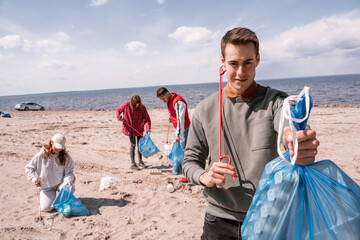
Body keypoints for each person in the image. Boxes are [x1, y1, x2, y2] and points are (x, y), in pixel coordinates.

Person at [182, 27, 320, 239]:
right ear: (222, 62)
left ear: (257, 60)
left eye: (247, 63)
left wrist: (292, 139)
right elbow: (189, 161)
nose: (240, 72)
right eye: (233, 64)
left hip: (270, 216)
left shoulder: (276, 101)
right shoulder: (204, 109)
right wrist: (203, 175)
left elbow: (286, 124)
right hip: (218, 219)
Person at [25, 133, 75, 212]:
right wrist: (34, 179)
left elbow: (69, 171)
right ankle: (54, 198)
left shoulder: (66, 156)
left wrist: (68, 180)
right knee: (46, 208)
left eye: (60, 148)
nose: (59, 150)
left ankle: (61, 198)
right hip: (46, 187)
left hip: (60, 183)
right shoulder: (40, 155)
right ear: (51, 142)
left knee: (70, 188)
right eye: (57, 147)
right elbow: (28, 168)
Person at [116, 95, 151, 170]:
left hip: (139, 128)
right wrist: (119, 117)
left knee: (140, 145)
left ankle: (140, 161)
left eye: (138, 104)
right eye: (136, 104)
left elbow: (147, 118)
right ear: (132, 102)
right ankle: (133, 163)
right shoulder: (126, 105)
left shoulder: (142, 107)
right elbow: (118, 110)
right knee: (133, 144)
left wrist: (148, 128)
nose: (137, 105)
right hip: (129, 129)